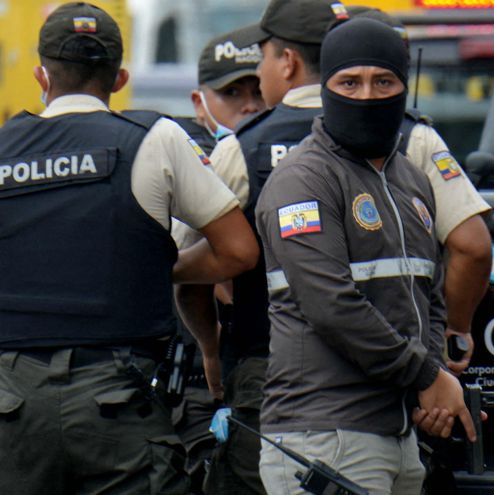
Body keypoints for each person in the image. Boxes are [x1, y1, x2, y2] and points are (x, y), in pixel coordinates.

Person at [0, 3, 258, 493]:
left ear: (42, 75)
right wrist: (155, 274)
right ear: (121, 79)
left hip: (19, 404)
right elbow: (238, 252)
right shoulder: (155, 141)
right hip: (121, 399)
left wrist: (42, 317)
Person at [256, 18, 475, 495]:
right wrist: (426, 375)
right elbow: (330, 304)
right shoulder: (303, 179)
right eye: (349, 82)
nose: (368, 95)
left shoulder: (412, 181)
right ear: (325, 88)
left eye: (384, 81)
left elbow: (429, 296)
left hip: (399, 435)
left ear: (404, 88)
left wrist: (432, 381)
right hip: (324, 435)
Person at [174, 2, 346, 493]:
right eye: (232, 93)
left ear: (286, 63)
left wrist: (212, 350)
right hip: (379, 371)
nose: (249, 104)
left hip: (269, 366)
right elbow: (465, 244)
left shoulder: (243, 148)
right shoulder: (403, 135)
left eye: (257, 79)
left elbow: (187, 266)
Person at [347, 5, 492, 376]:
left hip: (289, 357)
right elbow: (472, 246)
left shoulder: (260, 140)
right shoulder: (416, 138)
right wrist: (453, 329)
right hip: (405, 353)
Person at [168, 28, 264, 495]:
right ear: (200, 103)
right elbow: (184, 269)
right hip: (198, 378)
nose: (249, 106)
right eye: (233, 94)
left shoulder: (292, 157)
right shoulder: (178, 165)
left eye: (258, 92)